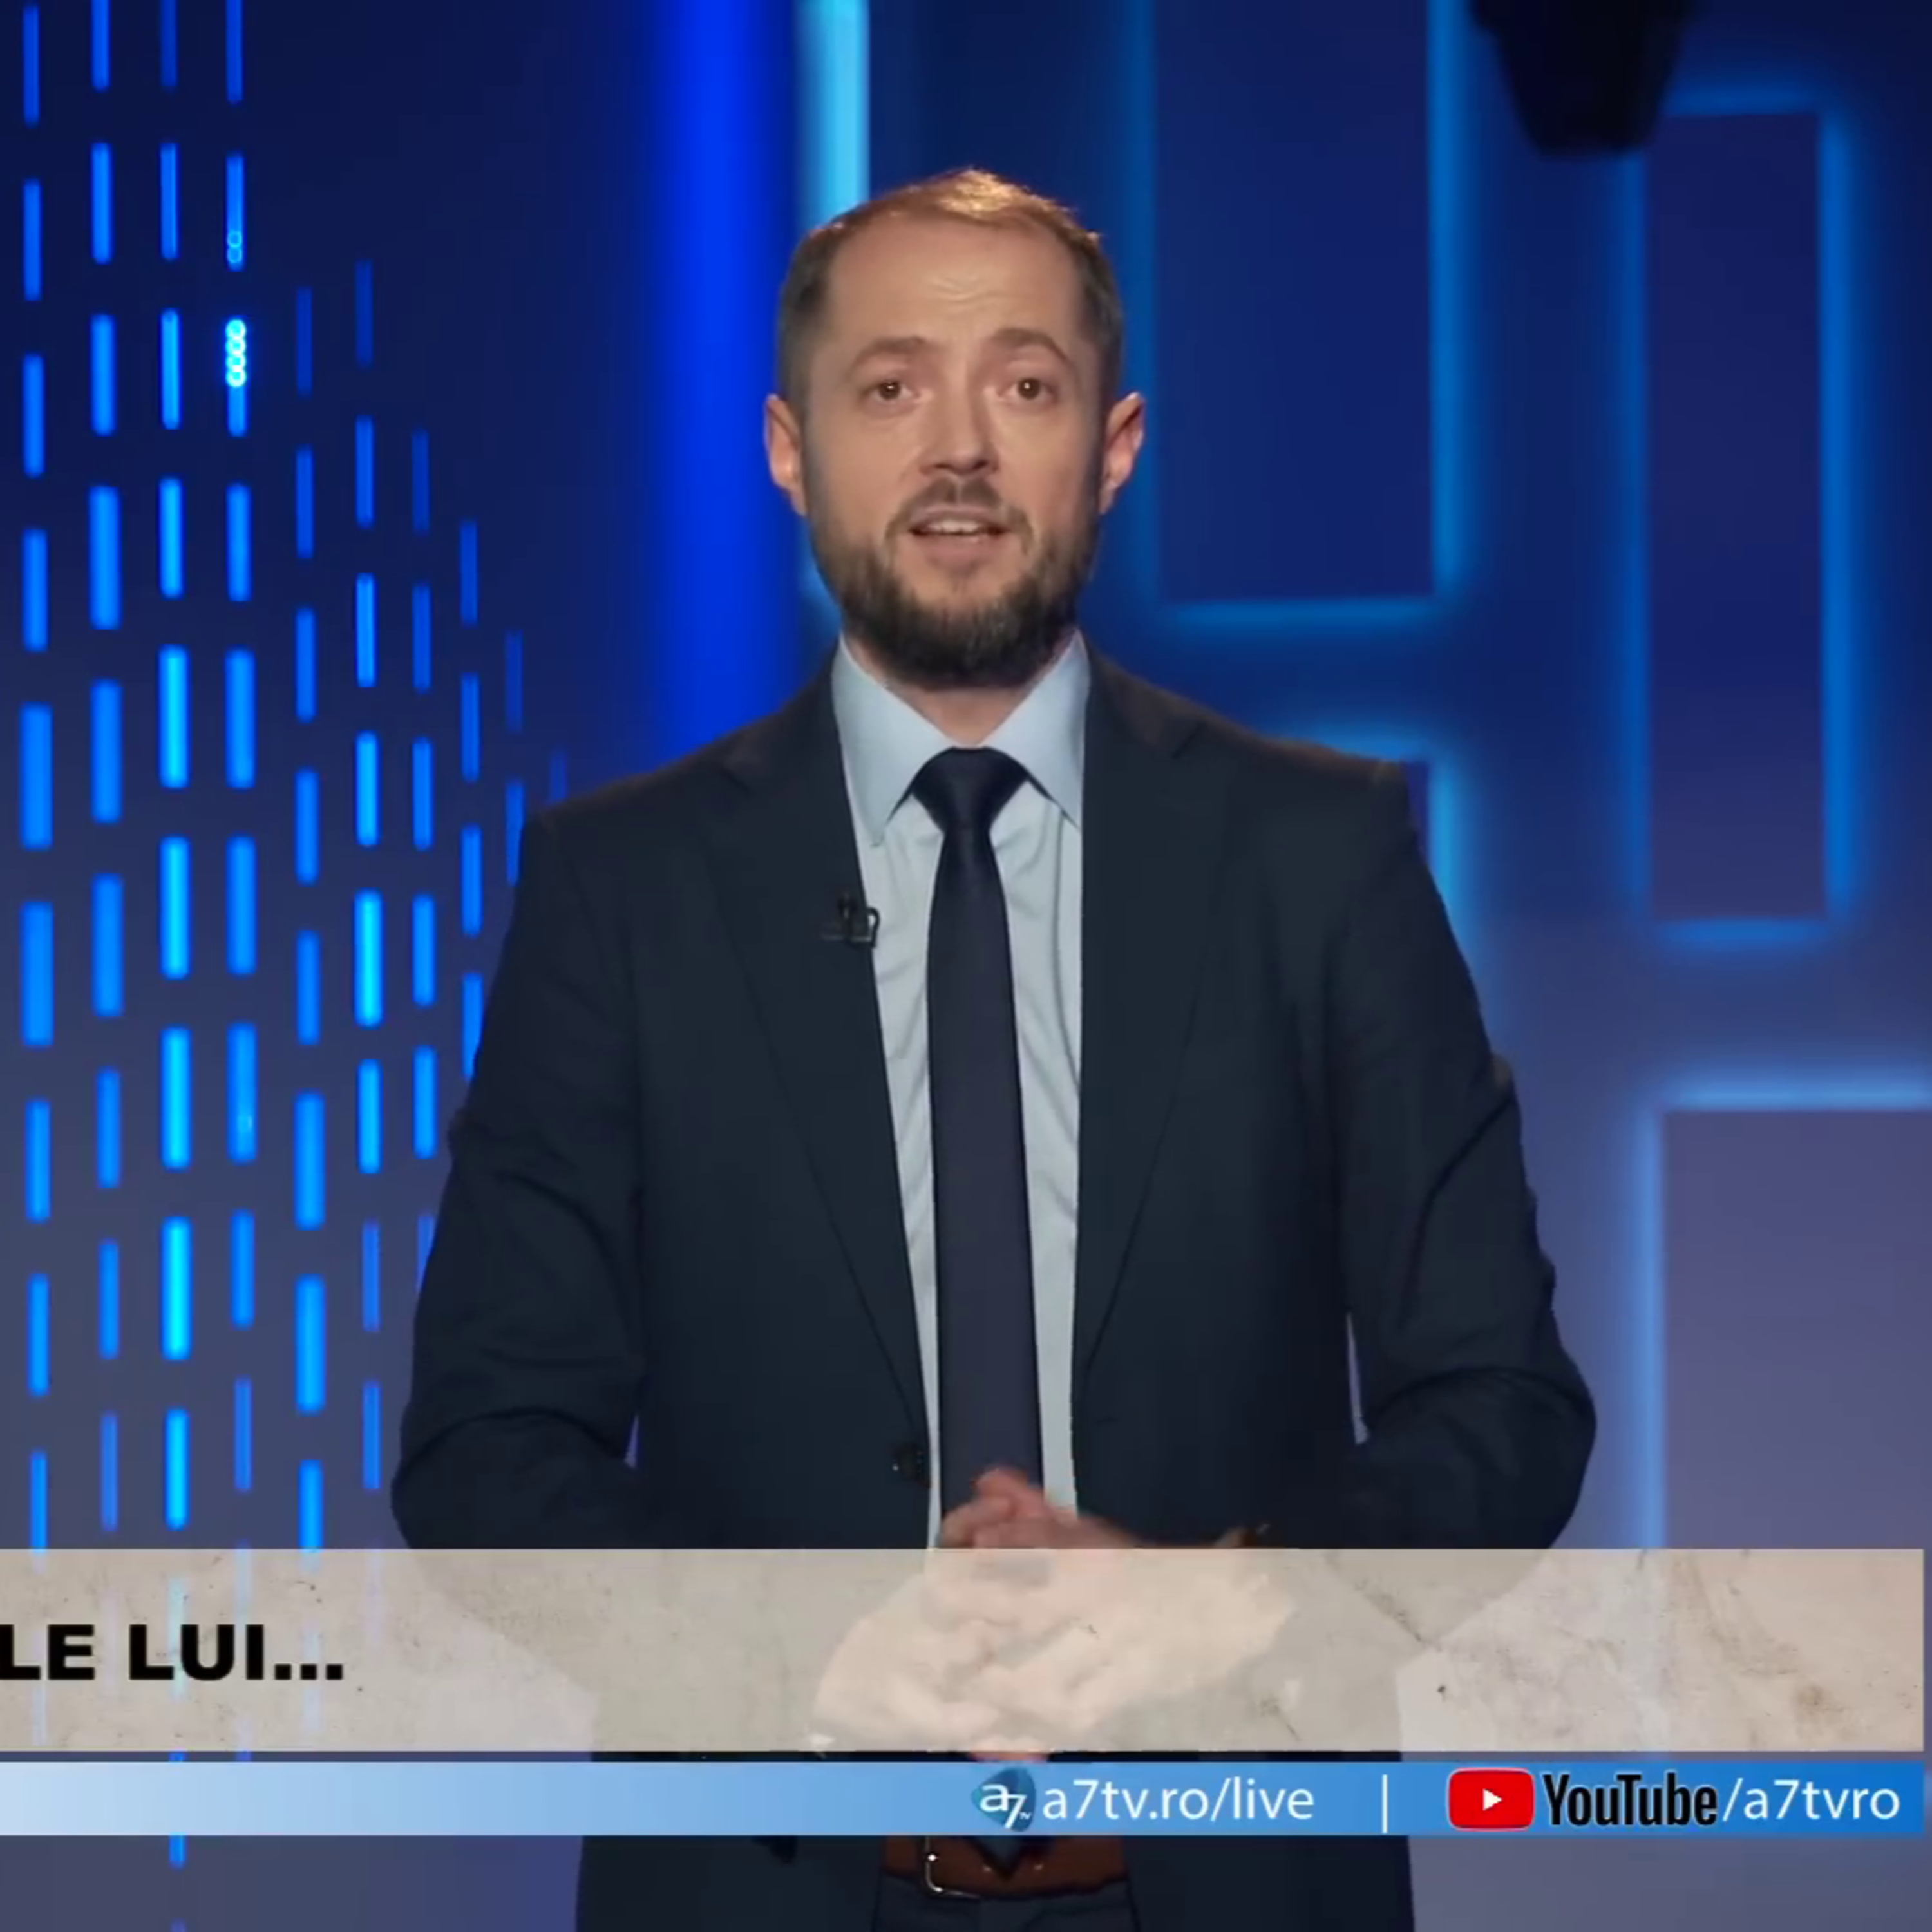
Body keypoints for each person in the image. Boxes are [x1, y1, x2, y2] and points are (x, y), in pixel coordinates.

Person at [392, 167, 1596, 1931]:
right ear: (789, 450)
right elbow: (487, 1449)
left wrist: (1231, 1602)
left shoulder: (1317, 857)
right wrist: (804, 1649)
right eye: (889, 388)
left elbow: (1502, 1406)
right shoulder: (623, 888)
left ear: (1113, 449)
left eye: (1023, 387)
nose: (957, 449)